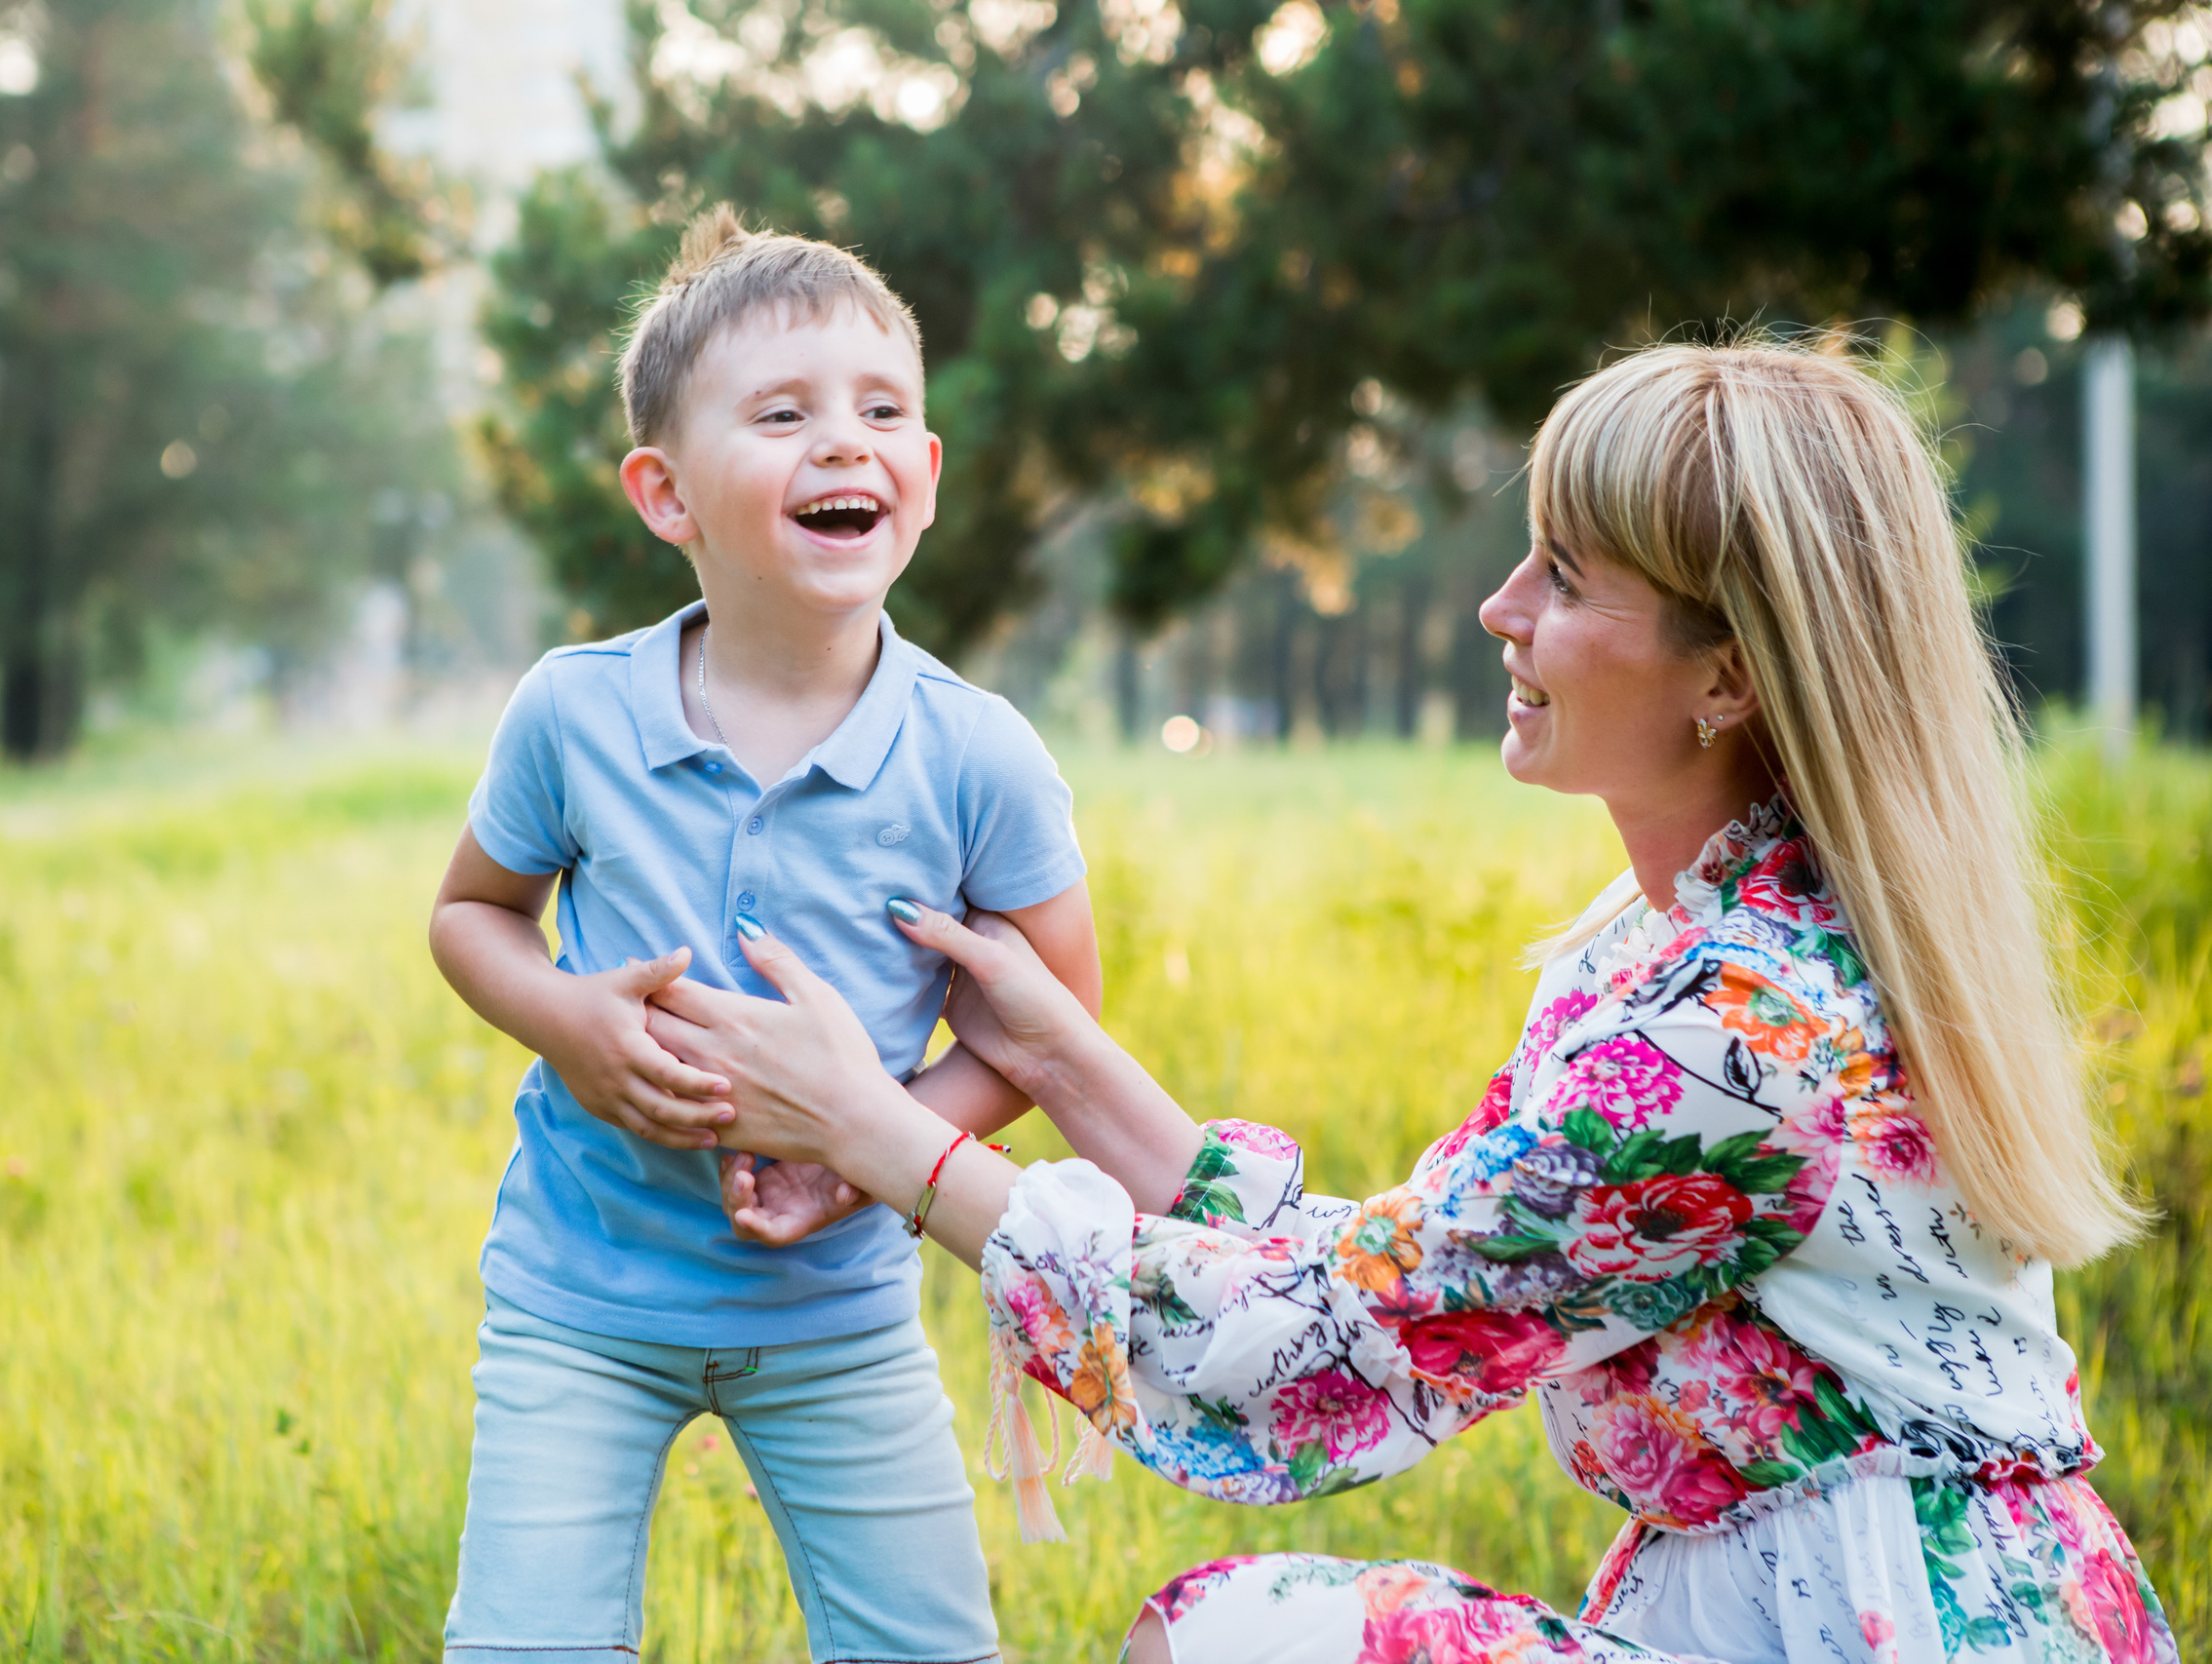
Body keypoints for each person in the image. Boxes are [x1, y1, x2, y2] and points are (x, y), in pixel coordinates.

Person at [643, 338, 2180, 1663]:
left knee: (1239, 1639)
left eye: (1567, 578)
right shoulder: (1706, 946)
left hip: (1891, 1627)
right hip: (1833, 1606)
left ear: (1732, 675)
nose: (1500, 608)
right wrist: (1060, 1055)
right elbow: (1406, 1275)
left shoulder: (1731, 1041)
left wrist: (878, 1133)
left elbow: (1302, 1369)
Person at [426, 206, 1101, 1664]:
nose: (845, 442)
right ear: (665, 494)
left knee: (929, 1650)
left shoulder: (977, 757)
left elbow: (1050, 1024)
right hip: (579, 1294)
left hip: (838, 1319)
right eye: (783, 414)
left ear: (923, 474)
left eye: (882, 412)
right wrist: (570, 1024)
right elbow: (473, 914)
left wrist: (873, 1154)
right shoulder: (575, 713)